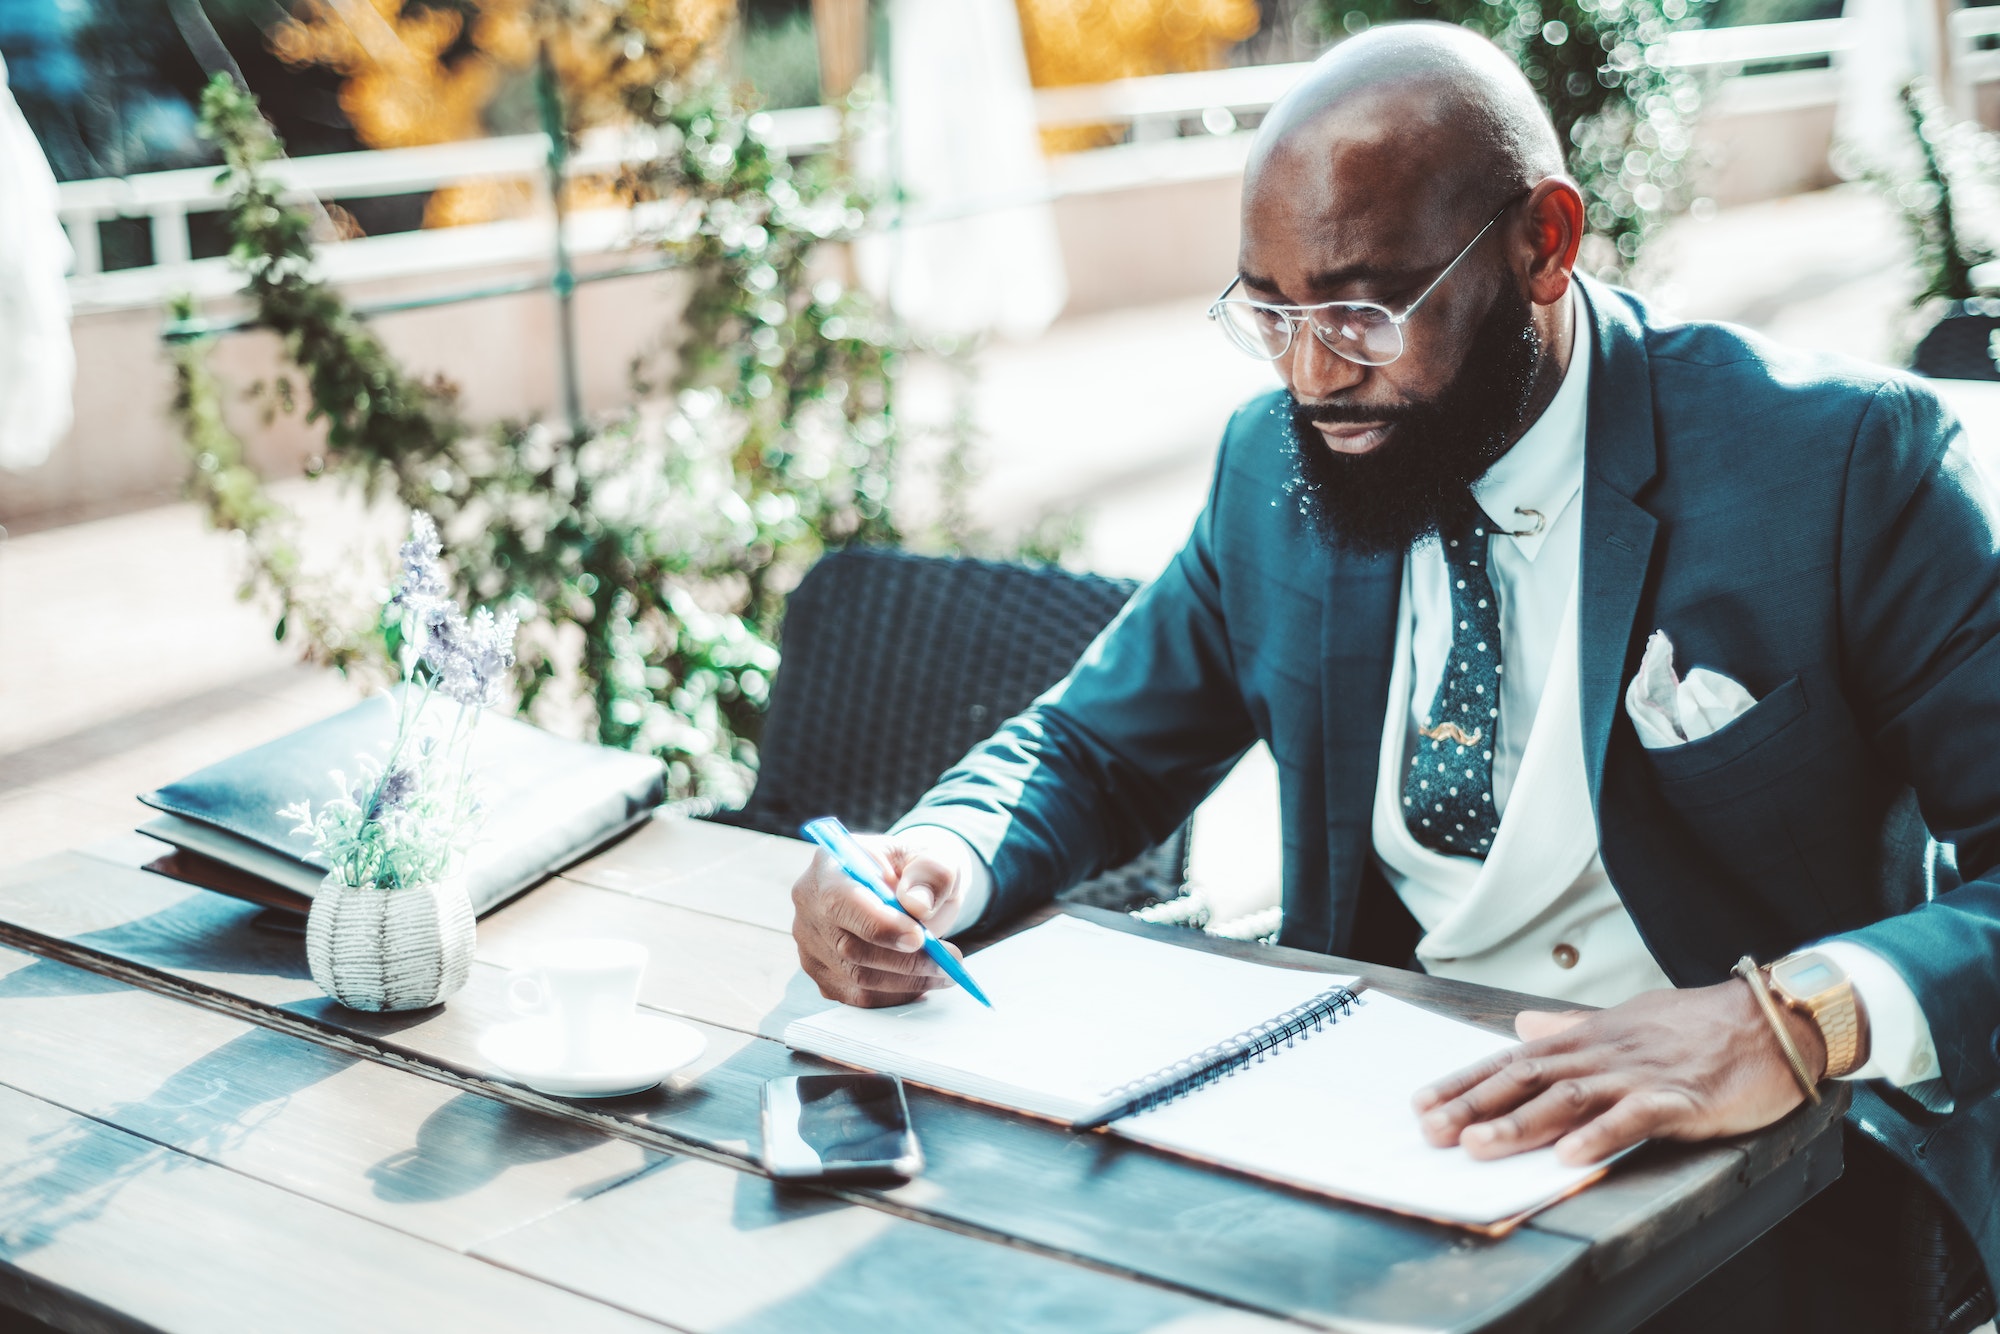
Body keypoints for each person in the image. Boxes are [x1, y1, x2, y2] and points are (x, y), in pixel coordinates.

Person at [788, 22, 1999, 1330]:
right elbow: (1094, 743)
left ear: (1546, 240)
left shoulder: (1845, 466)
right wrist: (939, 855)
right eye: (1272, 314)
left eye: (1364, 311)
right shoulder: (1272, 468)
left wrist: (1796, 1019)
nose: (1314, 375)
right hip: (1375, 1153)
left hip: (1765, 1185)